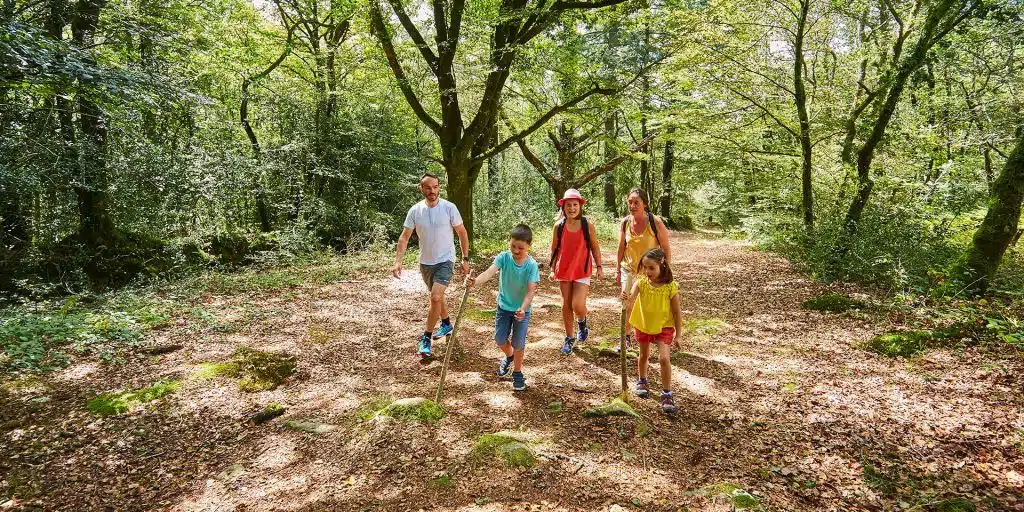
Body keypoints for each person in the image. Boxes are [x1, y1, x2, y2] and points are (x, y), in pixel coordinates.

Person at [392, 173, 470, 358]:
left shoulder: (449, 208)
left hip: (446, 260)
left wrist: (465, 258)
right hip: (426, 262)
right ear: (421, 188)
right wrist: (398, 261)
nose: (432, 191)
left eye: (435, 187)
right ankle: (446, 323)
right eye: (428, 187)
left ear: (439, 187)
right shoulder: (415, 211)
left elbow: (462, 233)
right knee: (438, 297)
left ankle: (426, 338)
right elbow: (404, 237)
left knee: (435, 297)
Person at [465, 224, 539, 392]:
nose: (516, 250)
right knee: (499, 339)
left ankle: (518, 373)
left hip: (522, 310)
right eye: (513, 245)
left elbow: (531, 291)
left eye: (520, 247)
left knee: (518, 342)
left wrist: (523, 308)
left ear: (529, 245)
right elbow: (489, 272)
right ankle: (509, 355)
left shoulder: (531, 265)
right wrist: (474, 282)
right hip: (504, 307)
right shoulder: (503, 258)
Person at [622, 247, 682, 415]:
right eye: (645, 267)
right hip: (643, 324)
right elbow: (630, 300)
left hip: (664, 326)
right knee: (644, 355)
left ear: (661, 264)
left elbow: (677, 312)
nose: (647, 271)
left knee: (664, 358)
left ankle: (667, 393)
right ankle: (642, 380)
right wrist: (625, 297)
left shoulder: (670, 286)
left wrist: (679, 334)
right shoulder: (640, 282)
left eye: (651, 268)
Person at [616, 188, 672, 351]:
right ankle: (625, 337)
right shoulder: (625, 222)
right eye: (630, 202)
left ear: (645, 204)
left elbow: (666, 249)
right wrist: (617, 269)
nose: (632, 205)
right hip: (629, 269)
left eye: (636, 202)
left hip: (649, 272)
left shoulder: (656, 222)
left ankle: (653, 336)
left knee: (648, 305)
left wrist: (665, 271)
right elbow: (621, 247)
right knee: (627, 303)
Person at [549, 189, 603, 355]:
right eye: (568, 205)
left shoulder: (587, 226)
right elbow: (554, 248)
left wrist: (599, 266)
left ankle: (582, 321)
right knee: (566, 304)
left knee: (577, 304)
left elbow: (594, 246)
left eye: (575, 205)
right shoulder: (559, 226)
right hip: (564, 269)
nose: (571, 208)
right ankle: (569, 337)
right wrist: (552, 269)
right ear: (563, 207)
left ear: (580, 206)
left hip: (582, 269)